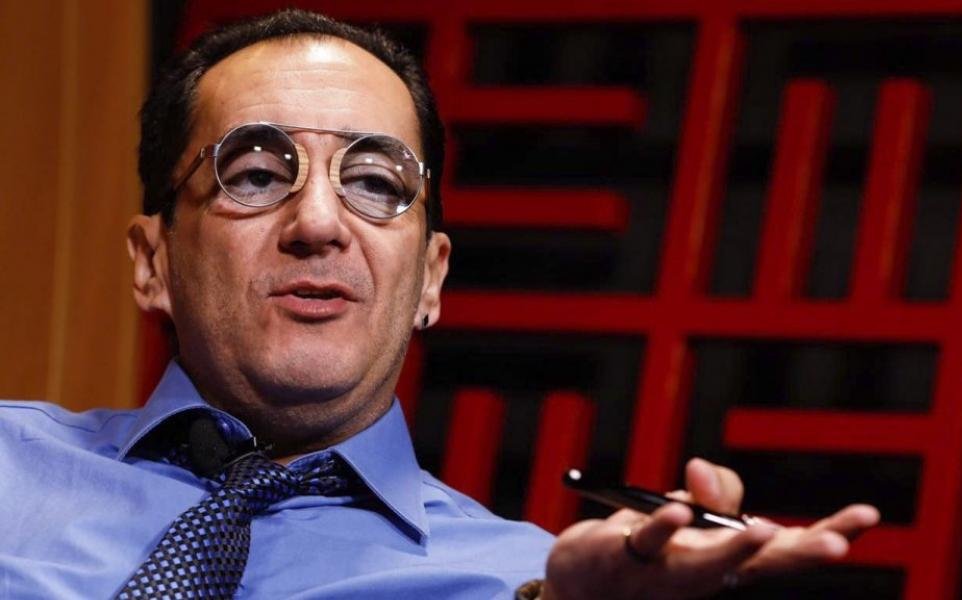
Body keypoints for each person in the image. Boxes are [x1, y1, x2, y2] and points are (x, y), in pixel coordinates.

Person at [0, 9, 879, 599]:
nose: (318, 224)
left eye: (376, 183)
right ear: (152, 261)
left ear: (430, 279)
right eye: (258, 174)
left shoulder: (539, 584)